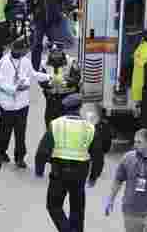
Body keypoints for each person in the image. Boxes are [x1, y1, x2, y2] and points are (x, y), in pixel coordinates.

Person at [35, 95, 105, 232]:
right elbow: (98, 156)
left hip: (58, 172)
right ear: (80, 108)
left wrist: (39, 169)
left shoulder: (56, 124)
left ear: (65, 108)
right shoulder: (89, 128)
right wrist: (93, 176)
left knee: (53, 206)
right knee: (77, 210)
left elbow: (43, 151)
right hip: (80, 174)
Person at [0, 37, 48, 167]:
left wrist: (48, 77)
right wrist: (15, 89)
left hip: (22, 104)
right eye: (24, 51)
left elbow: (33, 74)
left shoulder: (25, 61)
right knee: (5, 131)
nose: (25, 53)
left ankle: (20, 158)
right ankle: (1, 152)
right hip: (7, 104)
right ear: (15, 49)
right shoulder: (4, 62)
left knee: (20, 132)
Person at [28, 0, 70, 71]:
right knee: (37, 44)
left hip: (54, 20)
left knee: (56, 44)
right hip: (40, 20)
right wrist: (31, 13)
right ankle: (35, 68)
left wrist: (63, 11)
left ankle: (57, 67)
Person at [41, 45, 81, 128]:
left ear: (62, 51)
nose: (56, 55)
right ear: (50, 52)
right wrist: (50, 84)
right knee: (51, 126)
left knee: (68, 126)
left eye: (58, 52)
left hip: (68, 99)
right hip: (51, 100)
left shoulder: (71, 61)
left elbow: (76, 78)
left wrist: (66, 83)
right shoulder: (43, 64)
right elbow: (41, 81)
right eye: (53, 52)